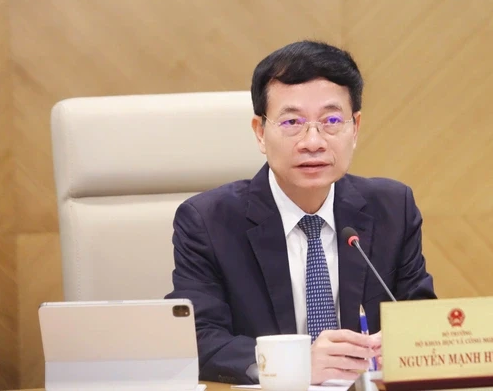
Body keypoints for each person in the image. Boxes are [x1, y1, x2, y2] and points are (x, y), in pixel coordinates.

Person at [165, 40, 436, 385]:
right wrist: (294, 362)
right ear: (260, 132)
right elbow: (198, 339)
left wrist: (403, 345)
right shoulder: (208, 221)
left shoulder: (393, 208)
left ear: (355, 128)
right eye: (292, 122)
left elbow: (422, 318)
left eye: (332, 120)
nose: (313, 142)